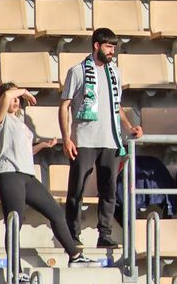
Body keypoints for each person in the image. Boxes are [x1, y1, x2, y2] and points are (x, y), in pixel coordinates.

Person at [0, 82, 91, 265]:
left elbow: (24, 151)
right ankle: (15, 270)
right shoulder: (0, 118)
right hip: (8, 174)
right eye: (13, 98)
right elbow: (5, 97)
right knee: (15, 222)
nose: (15, 101)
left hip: (26, 174)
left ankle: (75, 255)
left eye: (17, 99)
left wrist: (43, 146)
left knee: (55, 211)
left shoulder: (20, 123)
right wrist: (24, 90)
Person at [59, 28, 140, 251]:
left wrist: (129, 127)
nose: (112, 51)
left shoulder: (115, 72)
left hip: (110, 139)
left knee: (109, 190)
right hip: (84, 139)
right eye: (108, 46)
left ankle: (105, 233)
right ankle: (72, 233)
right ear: (96, 46)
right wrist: (66, 138)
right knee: (77, 189)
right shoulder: (77, 71)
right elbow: (65, 105)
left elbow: (117, 106)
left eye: (114, 47)